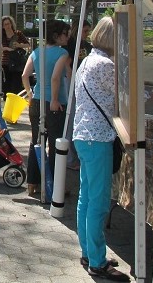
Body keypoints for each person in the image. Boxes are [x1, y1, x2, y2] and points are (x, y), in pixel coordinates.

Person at [72, 15, 130, 281]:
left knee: (86, 198)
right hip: (97, 138)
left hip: (83, 135)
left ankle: (89, 252)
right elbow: (128, 94)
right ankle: (97, 260)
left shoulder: (87, 60)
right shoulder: (106, 64)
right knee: (98, 201)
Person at [21, 19, 71, 195]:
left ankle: (32, 182)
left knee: (36, 141)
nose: (68, 36)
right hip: (54, 103)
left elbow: (25, 75)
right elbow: (56, 77)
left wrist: (30, 93)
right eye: (65, 34)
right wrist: (55, 99)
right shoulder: (62, 53)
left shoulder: (36, 52)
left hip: (37, 100)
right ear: (56, 36)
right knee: (56, 143)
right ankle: (55, 186)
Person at [65, 19, 92, 170]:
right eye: (85, 31)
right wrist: (72, 83)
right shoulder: (70, 44)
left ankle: (74, 155)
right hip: (72, 85)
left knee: (77, 118)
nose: (87, 34)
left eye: (88, 31)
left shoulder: (87, 46)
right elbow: (67, 65)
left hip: (83, 85)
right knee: (71, 119)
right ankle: (70, 157)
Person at [0, 15, 30, 96]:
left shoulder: (18, 34)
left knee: (16, 86)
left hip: (17, 62)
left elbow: (28, 45)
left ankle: (15, 101)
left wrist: (19, 45)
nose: (7, 26)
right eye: (5, 25)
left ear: (11, 24)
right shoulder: (2, 36)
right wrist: (5, 48)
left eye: (8, 24)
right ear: (2, 26)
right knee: (6, 86)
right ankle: (7, 101)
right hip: (6, 63)